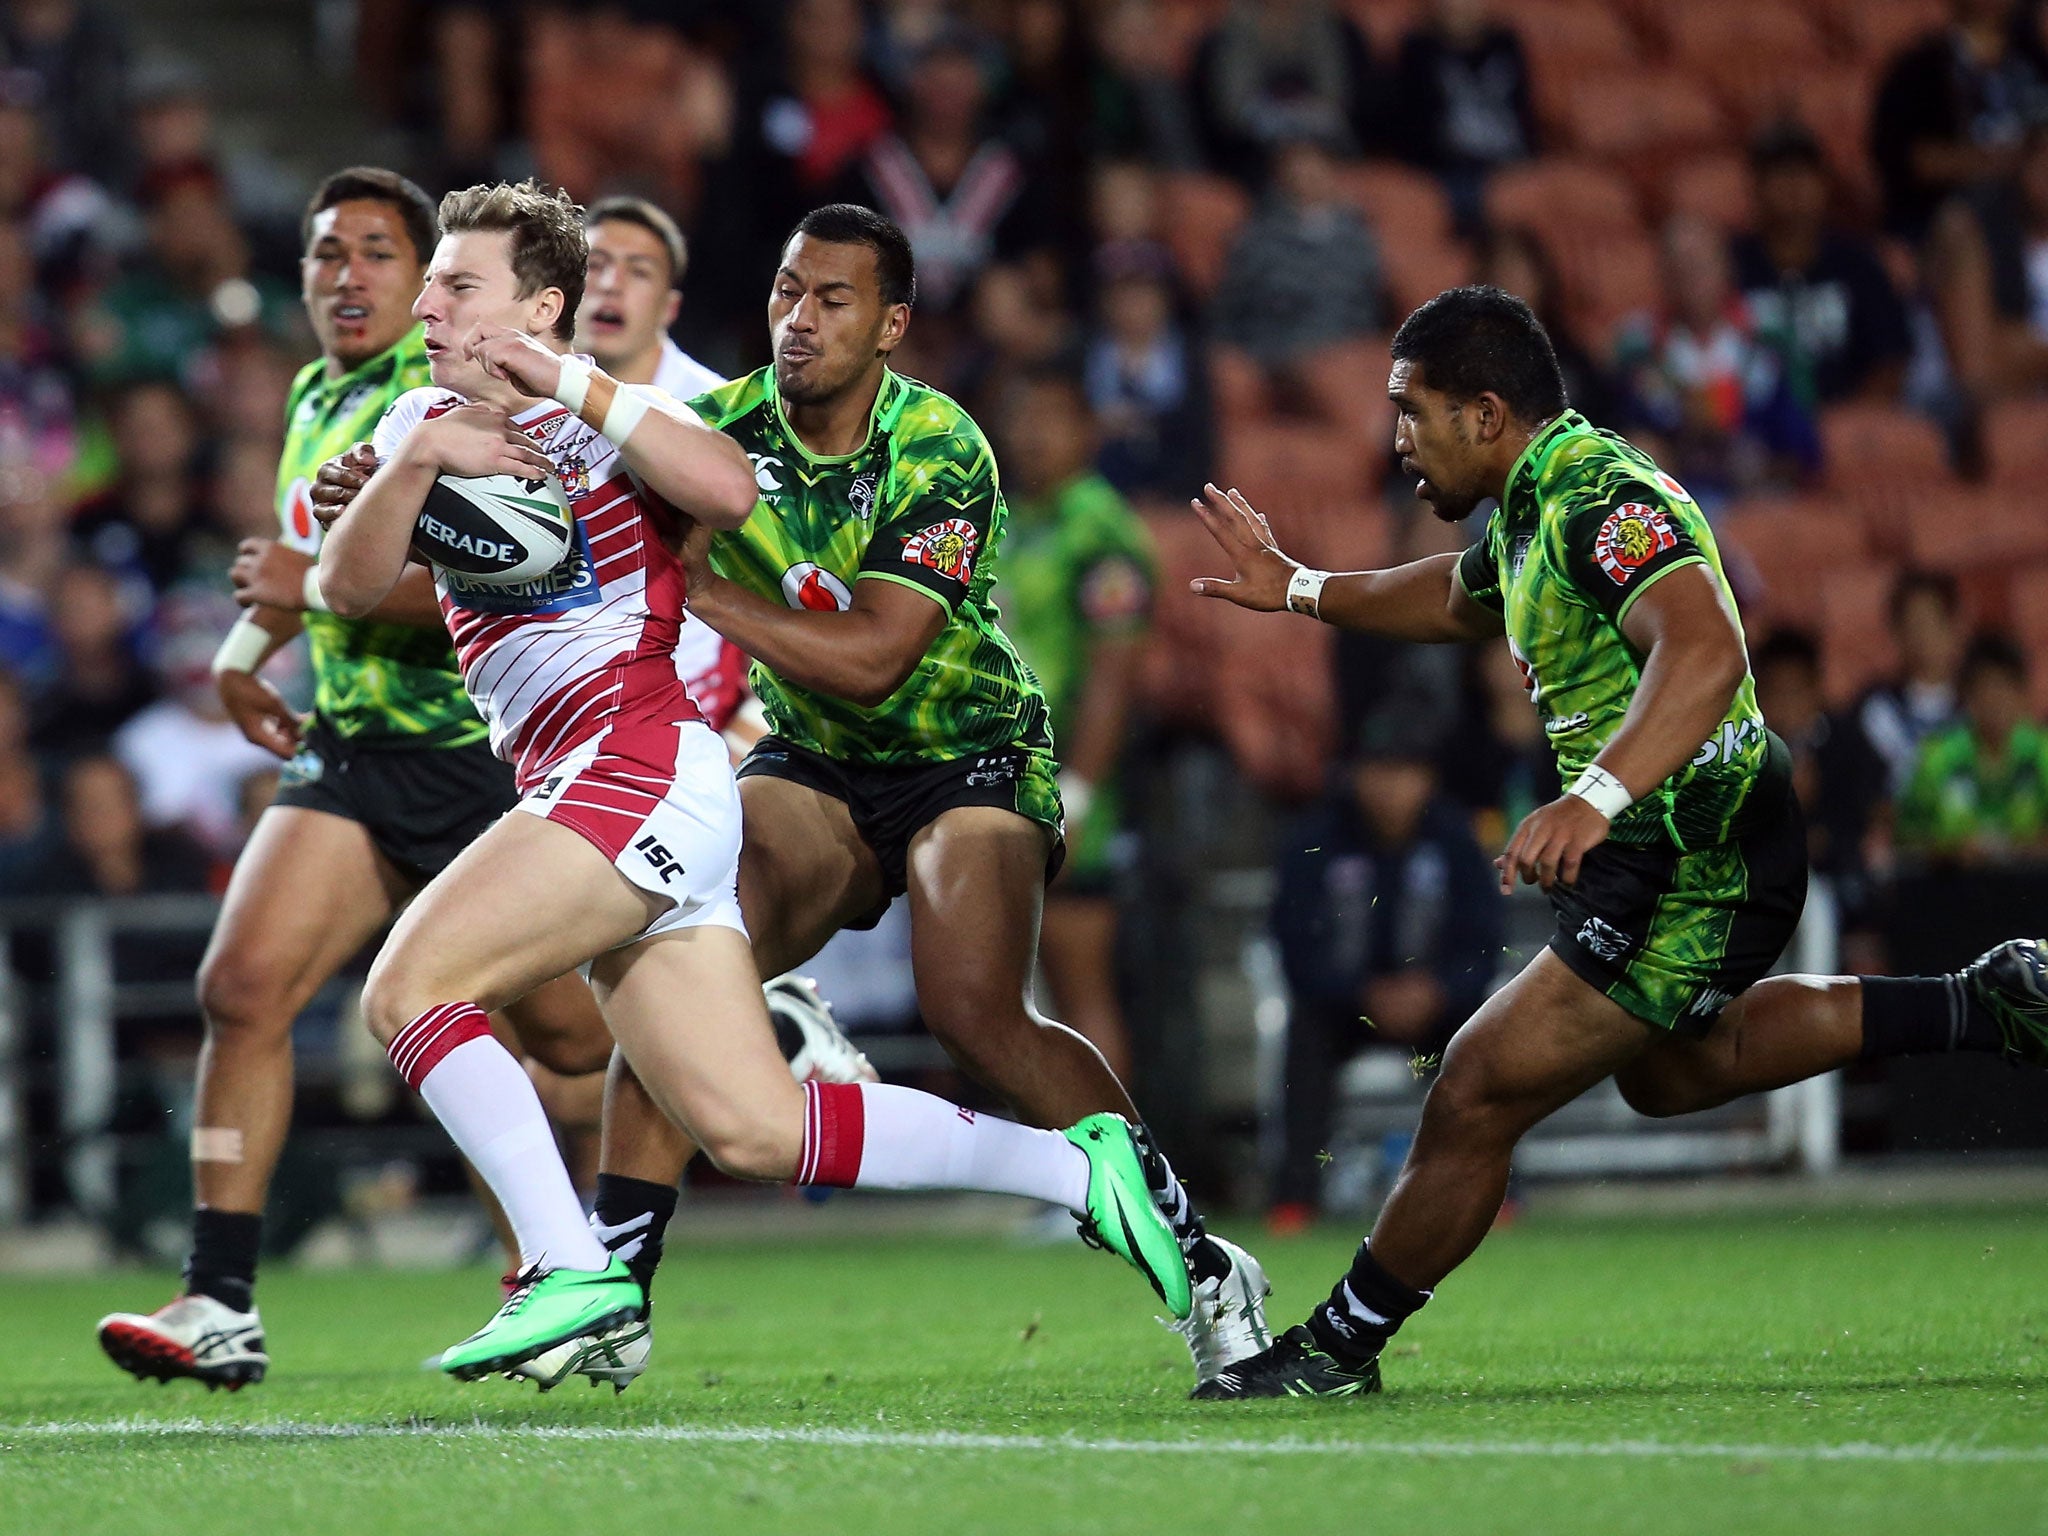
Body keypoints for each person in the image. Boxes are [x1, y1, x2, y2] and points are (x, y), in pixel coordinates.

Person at [305, 179, 1193, 1383]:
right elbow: (344, 590)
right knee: (754, 1126)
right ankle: (1073, 1169)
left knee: (409, 987)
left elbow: (725, 487)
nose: (427, 305)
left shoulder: (612, 422)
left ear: (542, 307)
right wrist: (410, 460)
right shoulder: (423, 418)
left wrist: (558, 384)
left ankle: (567, 1269)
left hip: (636, 758)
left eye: (458, 286)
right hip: (577, 773)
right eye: (432, 287)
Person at [1183, 283, 2048, 1398]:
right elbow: (1456, 600)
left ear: (1485, 413)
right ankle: (1982, 1002)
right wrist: (1298, 587)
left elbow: (1700, 647)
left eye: (1411, 411)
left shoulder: (1600, 498)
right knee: (1680, 1073)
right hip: (1665, 839)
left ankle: (1335, 1349)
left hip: (1692, 845)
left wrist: (1589, 796)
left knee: (1476, 1083)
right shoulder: (1530, 507)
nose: (1394, 437)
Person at [557, 203, 1271, 1389]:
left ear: (889, 325)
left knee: (976, 1016)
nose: (799, 319)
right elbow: (567, 517)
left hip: (970, 758)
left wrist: (698, 594)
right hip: (818, 764)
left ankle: (1197, 1262)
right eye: (788, 291)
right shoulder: (715, 428)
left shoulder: (941, 446)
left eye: (832, 301)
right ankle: (613, 1281)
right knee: (675, 944)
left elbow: (878, 656)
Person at [92, 167, 620, 1392]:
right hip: (354, 742)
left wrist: (295, 590)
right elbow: (302, 571)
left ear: (426, 277)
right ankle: (218, 1297)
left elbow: (491, 588)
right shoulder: (318, 390)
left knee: (573, 1042)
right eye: (327, 253)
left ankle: (564, 1267)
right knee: (243, 986)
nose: (349, 275)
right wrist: (242, 655)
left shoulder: (462, 392)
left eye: (379, 253)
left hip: (474, 752)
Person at [1268, 725, 1500, 1226]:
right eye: (1378, 772)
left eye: (1406, 774)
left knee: (1480, 1044)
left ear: (1428, 779)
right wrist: (1360, 993)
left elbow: (1481, 941)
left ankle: (1492, 1194)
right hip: (1344, 1008)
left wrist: (1438, 990)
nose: (1391, 789)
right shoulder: (1316, 839)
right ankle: (1294, 1199)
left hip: (1438, 1008)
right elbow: (1294, 943)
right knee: (1305, 1041)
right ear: (1355, 776)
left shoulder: (1456, 839)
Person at [993, 369, 1156, 1081]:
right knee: (1024, 995)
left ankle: (1118, 1169)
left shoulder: (1100, 527)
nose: (1031, 436)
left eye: (1051, 418)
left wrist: (1080, 791)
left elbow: (1115, 671)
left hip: (1066, 784)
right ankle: (1062, 1169)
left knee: (1077, 983)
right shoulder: (1011, 517)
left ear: (1088, 431)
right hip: (1000, 773)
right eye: (1020, 418)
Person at [1731, 120, 1911, 407]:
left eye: (1804, 173)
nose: (1794, 187)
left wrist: (1844, 426)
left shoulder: (1858, 264)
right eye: (1780, 174)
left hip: (1844, 422)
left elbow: (1889, 360)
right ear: (1756, 187)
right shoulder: (1731, 267)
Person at [1897, 631, 2048, 863]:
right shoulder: (1938, 757)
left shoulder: (2041, 753)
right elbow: (1904, 842)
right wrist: (1947, 852)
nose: (1996, 699)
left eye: (2006, 686)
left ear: (2022, 694)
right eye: (1987, 687)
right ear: (1968, 695)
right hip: (1955, 892)